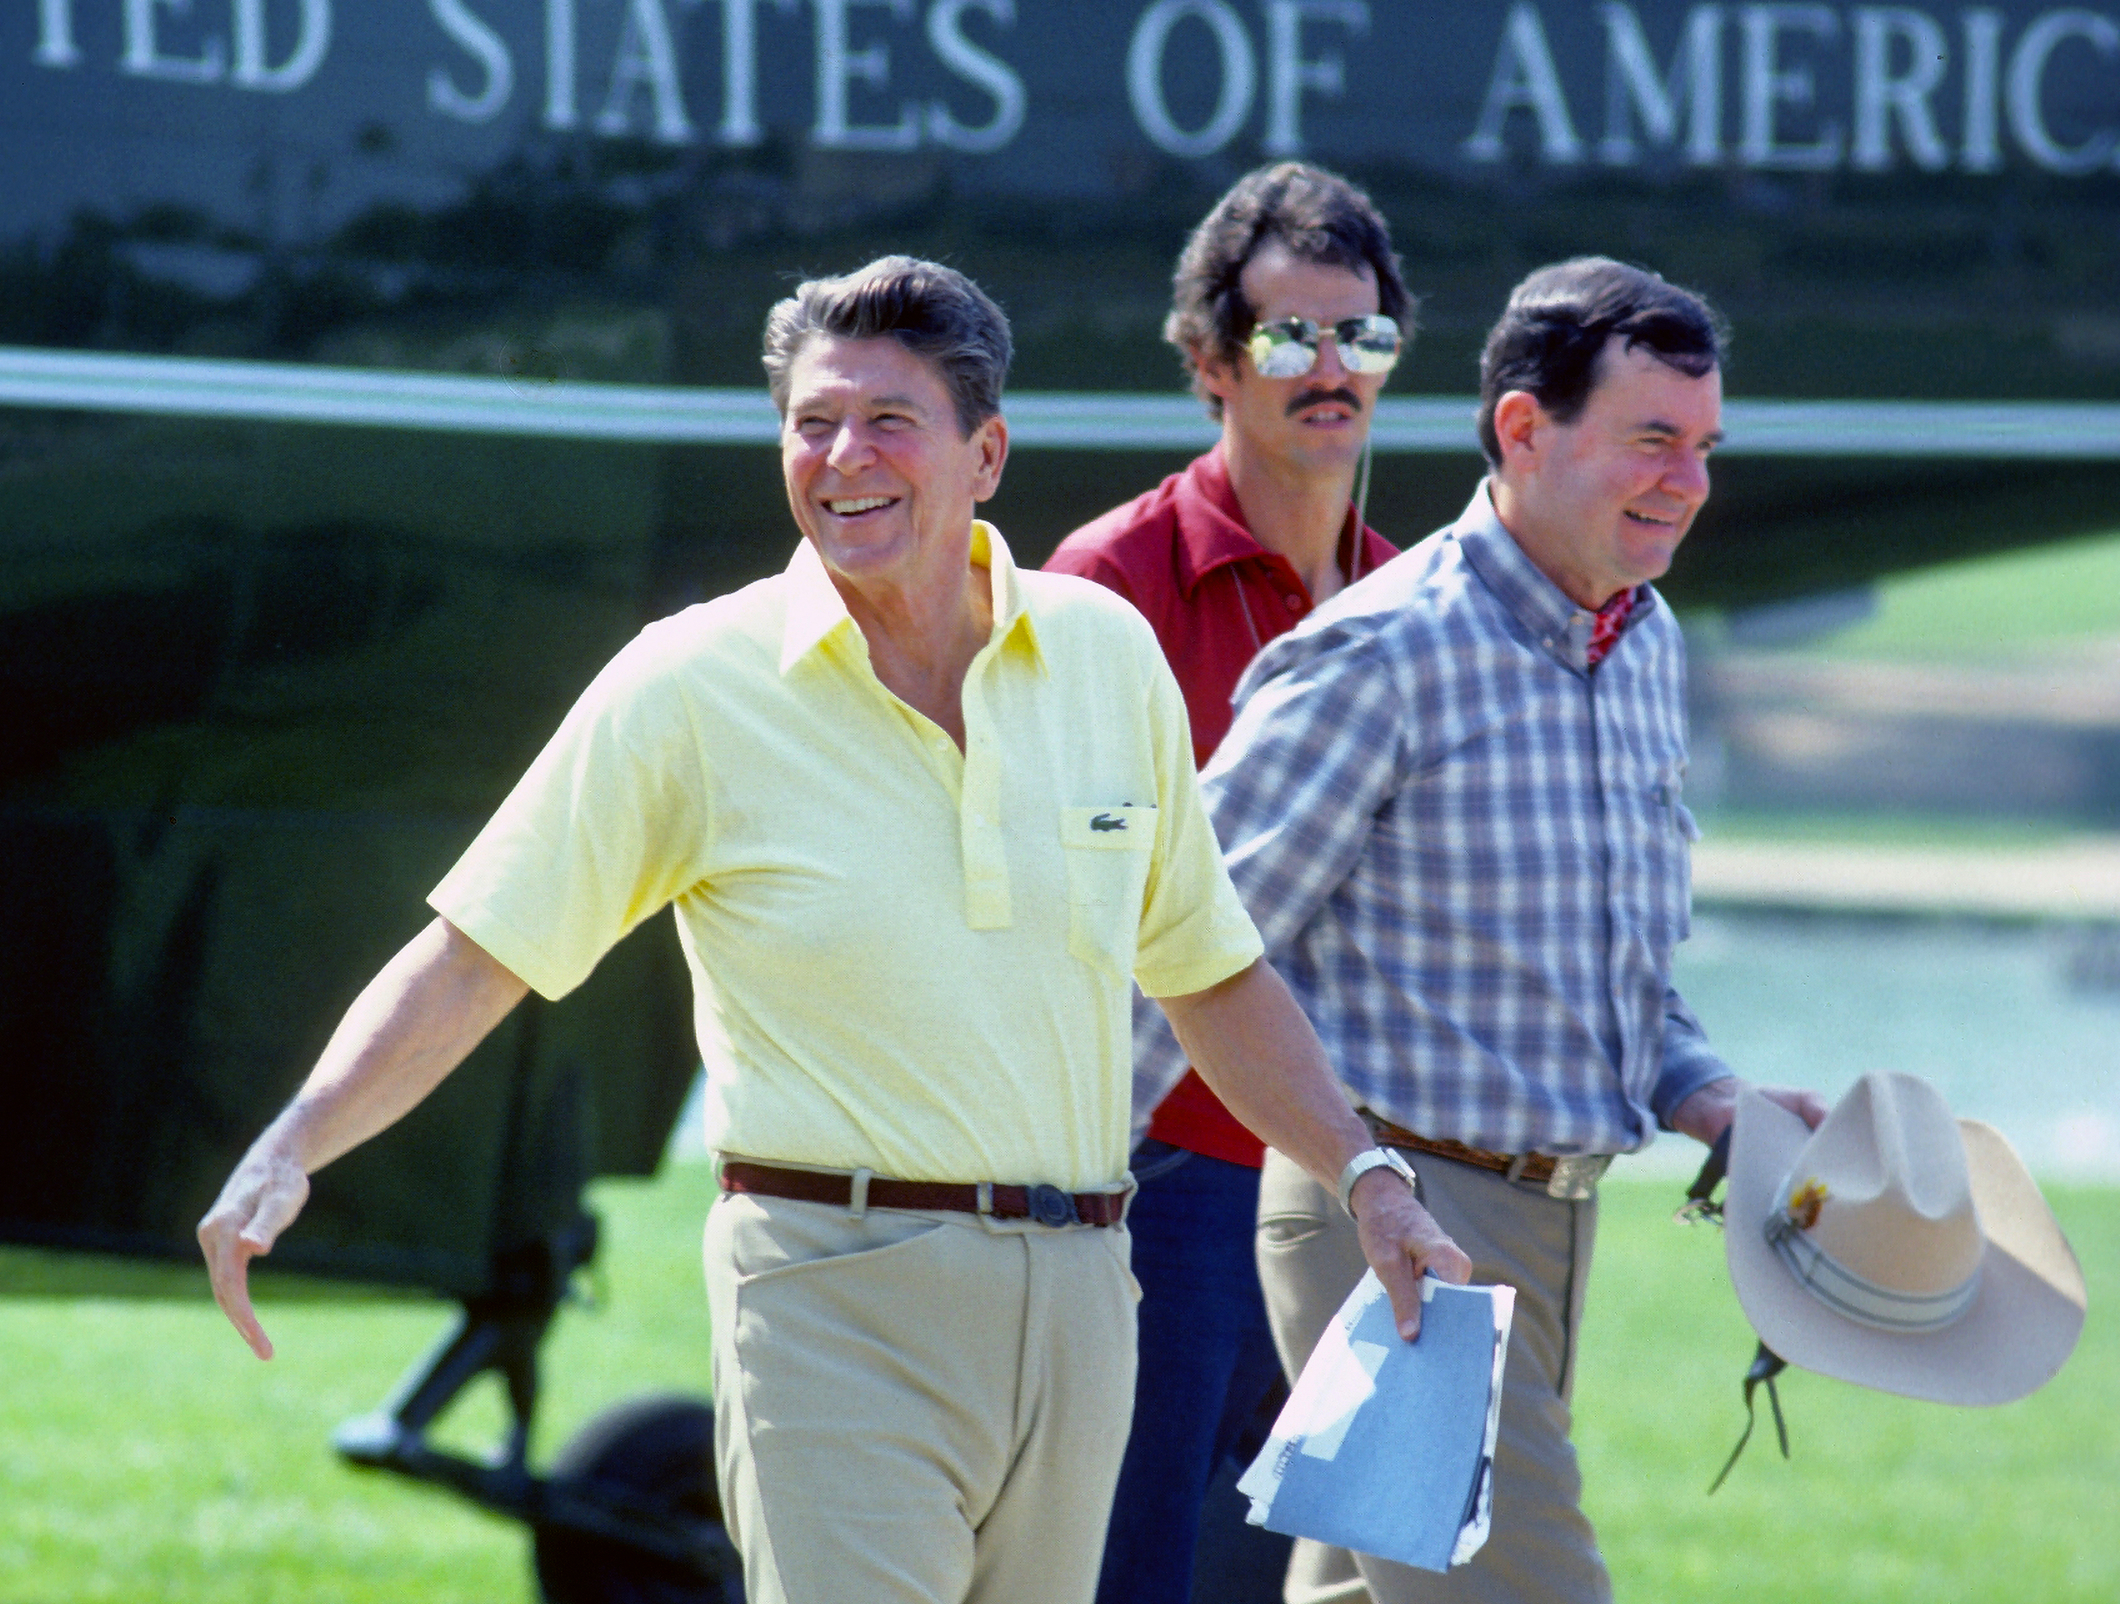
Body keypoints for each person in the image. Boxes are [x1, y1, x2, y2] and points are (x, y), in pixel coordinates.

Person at [195, 255, 1472, 1604]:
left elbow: (1212, 974)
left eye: (886, 423)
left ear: (985, 454)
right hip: (828, 1296)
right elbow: (479, 952)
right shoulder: (689, 683)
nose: (839, 457)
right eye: (811, 423)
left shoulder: (1106, 655)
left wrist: (1364, 1174)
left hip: (1091, 1296)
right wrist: (297, 1139)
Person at [1138, 257, 1828, 1604]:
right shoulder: (1380, 653)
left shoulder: (1644, 643)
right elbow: (1187, 934)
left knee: (1364, 1597)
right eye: (1650, 440)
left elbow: (1615, 973)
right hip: (1397, 1229)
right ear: (1523, 430)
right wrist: (1053, 1200)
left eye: (1702, 447)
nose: (1688, 480)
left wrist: (1712, 1100)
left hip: (1554, 1230)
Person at [1044, 161, 1409, 1604]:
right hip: (1164, 1183)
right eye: (1289, 337)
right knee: (1128, 1576)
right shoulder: (1104, 586)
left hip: (1361, 1191)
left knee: (1331, 1588)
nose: (1332, 370)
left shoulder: (1406, 606)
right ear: (1211, 362)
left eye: (1362, 336)